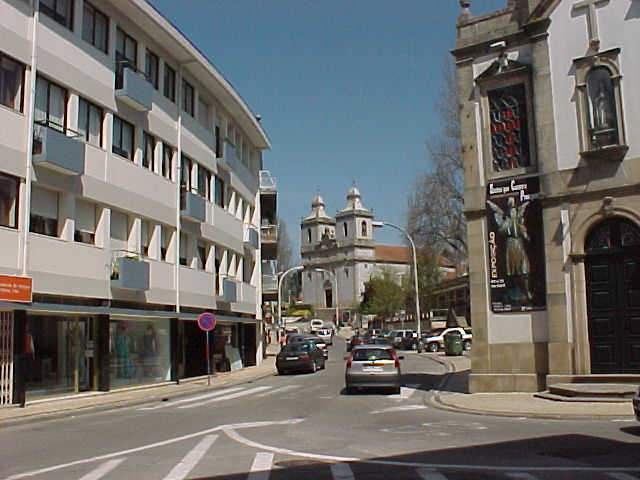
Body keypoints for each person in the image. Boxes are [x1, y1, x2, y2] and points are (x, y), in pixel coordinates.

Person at [487, 197, 532, 303]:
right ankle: (513, 290)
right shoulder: (506, 222)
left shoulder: (519, 222)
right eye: (511, 211)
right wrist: (506, 221)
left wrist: (525, 234)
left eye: (514, 211)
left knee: (524, 268)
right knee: (512, 270)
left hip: (519, 245)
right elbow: (501, 230)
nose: (513, 213)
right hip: (510, 246)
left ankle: (527, 290)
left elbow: (525, 234)